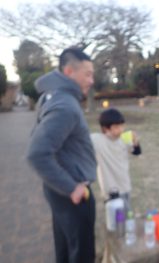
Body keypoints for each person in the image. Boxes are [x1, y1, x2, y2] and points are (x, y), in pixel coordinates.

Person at [27, 47, 96, 263]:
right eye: (87, 74)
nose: (92, 81)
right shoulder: (65, 105)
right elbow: (37, 153)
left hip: (57, 190)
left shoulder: (51, 96)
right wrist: (72, 187)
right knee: (81, 254)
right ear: (69, 72)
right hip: (73, 193)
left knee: (66, 249)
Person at [90, 108, 142, 210]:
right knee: (114, 219)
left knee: (126, 216)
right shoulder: (96, 140)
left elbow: (137, 152)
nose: (121, 129)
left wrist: (136, 143)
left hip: (124, 184)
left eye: (122, 126)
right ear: (105, 128)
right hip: (110, 189)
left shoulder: (123, 138)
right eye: (117, 127)